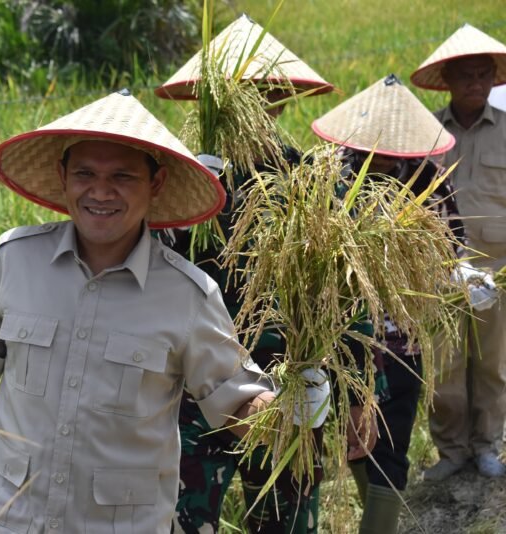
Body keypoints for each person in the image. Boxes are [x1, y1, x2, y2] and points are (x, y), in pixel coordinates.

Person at [0, 90, 276, 533]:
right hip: (6, 519)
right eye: (84, 173)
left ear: (155, 185)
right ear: (63, 177)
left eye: (123, 176)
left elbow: (236, 407)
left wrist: (292, 407)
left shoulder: (187, 294)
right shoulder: (17, 260)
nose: (100, 191)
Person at [157, 14, 376, 534]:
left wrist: (358, 392)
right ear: (213, 101)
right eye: (239, 93)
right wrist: (183, 205)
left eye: (265, 94)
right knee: (181, 518)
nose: (254, 104)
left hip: (293, 384)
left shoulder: (317, 186)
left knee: (286, 520)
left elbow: (351, 296)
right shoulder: (180, 184)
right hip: (192, 389)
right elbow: (146, 274)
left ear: (279, 101)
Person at [312, 73, 460, 534]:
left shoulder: (432, 181)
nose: (389, 154)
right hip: (344, 341)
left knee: (391, 445)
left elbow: (456, 246)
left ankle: (380, 523)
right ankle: (368, 502)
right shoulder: (332, 176)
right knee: (354, 438)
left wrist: (430, 268)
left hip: (403, 342)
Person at [410, 23, 506, 481]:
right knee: (444, 365)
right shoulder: (425, 135)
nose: (475, 83)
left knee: (491, 363)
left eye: (483, 74)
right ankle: (451, 450)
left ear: (493, 78)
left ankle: (487, 445)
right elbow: (407, 201)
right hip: (438, 270)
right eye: (465, 75)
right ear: (446, 81)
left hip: (497, 268)